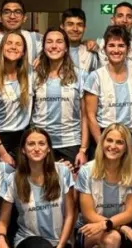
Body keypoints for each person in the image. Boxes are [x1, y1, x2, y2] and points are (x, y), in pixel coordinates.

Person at [0, 127, 80, 248]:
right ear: (23, 150)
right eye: (31, 144)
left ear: (49, 148)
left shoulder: (62, 172)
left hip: (59, 241)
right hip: (29, 241)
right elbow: (3, 220)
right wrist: (0, 237)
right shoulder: (14, 179)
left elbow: (70, 215)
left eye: (41, 143)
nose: (36, 148)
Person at [83, 25, 132, 159]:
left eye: (121, 45)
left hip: (129, 139)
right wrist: (102, 145)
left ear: (128, 49)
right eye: (111, 45)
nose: (116, 50)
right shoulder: (95, 77)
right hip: (101, 137)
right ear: (104, 49)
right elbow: (90, 115)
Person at [32, 27, 89, 165]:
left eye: (59, 42)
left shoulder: (80, 76)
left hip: (70, 143)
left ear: (66, 48)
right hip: (40, 143)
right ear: (44, 47)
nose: (54, 46)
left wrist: (83, 149)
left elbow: (85, 115)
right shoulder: (33, 76)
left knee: (69, 186)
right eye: (49, 42)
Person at [0, 32, 34, 164]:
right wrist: (2, 152)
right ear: (1, 49)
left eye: (18, 44)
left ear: (23, 52)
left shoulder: (31, 76)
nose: (13, 47)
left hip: (24, 138)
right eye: (9, 43)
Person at [61, 8, 99, 74]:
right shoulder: (52, 51)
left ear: (84, 28)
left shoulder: (91, 54)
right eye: (70, 24)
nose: (75, 29)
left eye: (79, 25)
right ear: (62, 26)